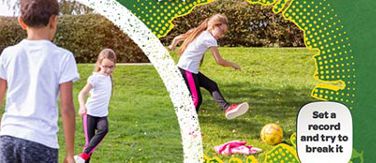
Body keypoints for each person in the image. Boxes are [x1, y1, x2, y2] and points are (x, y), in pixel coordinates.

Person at [0, 0, 79, 162]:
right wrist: (70, 153)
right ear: (53, 20)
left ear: (21, 22)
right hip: (41, 141)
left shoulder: (8, 54)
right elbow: (67, 108)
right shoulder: (63, 57)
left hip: (8, 137)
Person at [169, 14, 249, 119]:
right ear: (214, 26)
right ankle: (189, 126)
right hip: (187, 71)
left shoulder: (199, 32)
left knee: (212, 85)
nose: (222, 35)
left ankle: (227, 108)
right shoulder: (210, 39)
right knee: (196, 99)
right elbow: (219, 61)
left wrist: (172, 45)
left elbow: (178, 38)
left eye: (224, 33)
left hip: (190, 70)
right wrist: (233, 64)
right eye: (222, 31)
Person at [74, 49, 116, 163]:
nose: (108, 70)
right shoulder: (95, 78)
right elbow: (81, 94)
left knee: (104, 129)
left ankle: (81, 157)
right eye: (105, 66)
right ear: (99, 64)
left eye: (111, 67)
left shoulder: (109, 78)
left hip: (102, 115)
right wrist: (82, 107)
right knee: (89, 145)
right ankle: (83, 158)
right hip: (90, 114)